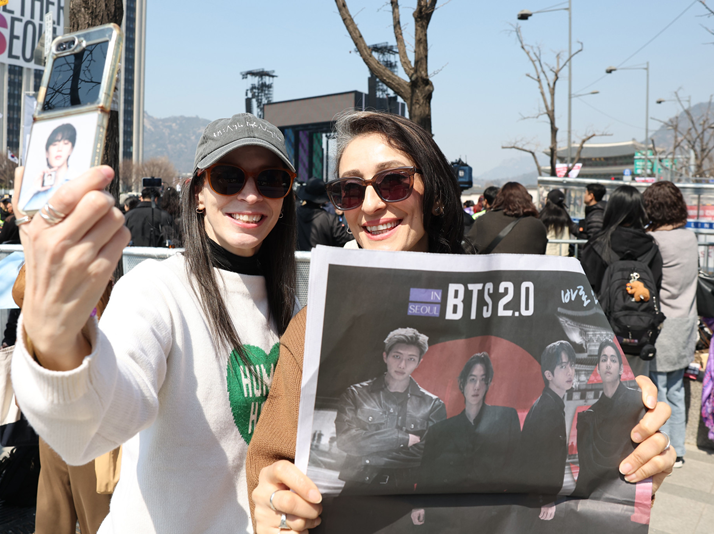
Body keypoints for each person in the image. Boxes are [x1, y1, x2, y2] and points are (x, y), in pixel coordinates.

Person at [246, 111, 675, 534]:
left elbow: (582, 478)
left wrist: (635, 457)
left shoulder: (516, 318)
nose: (372, 205)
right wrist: (273, 504)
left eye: (393, 182)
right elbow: (270, 467)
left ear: (433, 193)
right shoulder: (316, 326)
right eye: (351, 191)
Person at [9, 112, 298, 533]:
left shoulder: (291, 308)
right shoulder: (156, 289)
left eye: (270, 180)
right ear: (198, 192)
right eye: (229, 178)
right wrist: (57, 340)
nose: (251, 195)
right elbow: (96, 422)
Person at [334, 327, 445, 494]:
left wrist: (368, 454)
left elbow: (430, 454)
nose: (402, 365)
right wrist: (401, 438)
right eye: (397, 356)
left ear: (419, 362)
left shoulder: (433, 405)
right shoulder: (355, 394)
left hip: (402, 494)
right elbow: (345, 441)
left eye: (411, 359)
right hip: (355, 490)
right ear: (385, 356)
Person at [643, 181, 698, 468]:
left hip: (662, 326)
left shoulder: (654, 241)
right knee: (676, 391)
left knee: (658, 393)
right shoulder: (690, 237)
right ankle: (677, 450)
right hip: (686, 324)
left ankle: (661, 448)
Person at [419, 352, 520, 493]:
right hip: (453, 506)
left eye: (483, 380)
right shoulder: (439, 431)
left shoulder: (507, 418)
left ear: (488, 384)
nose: (477, 386)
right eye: (472, 379)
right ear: (462, 383)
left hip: (494, 505)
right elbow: (426, 477)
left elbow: (516, 466)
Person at [573, 341, 643, 499]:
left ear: (621, 368)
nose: (608, 364)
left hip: (624, 491)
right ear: (598, 368)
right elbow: (584, 470)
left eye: (613, 359)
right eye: (603, 359)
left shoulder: (636, 401)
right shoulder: (588, 416)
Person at [520, 341, 577, 523]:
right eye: (563, 366)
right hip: (538, 504)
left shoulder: (551, 403)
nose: (570, 372)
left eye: (571, 365)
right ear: (548, 374)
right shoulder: (547, 410)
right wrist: (546, 499)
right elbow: (538, 461)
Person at [580, 185, 662, 296]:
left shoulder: (597, 245)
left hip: (602, 312)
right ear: (641, 211)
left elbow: (584, 287)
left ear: (611, 209)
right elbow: (654, 288)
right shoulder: (651, 249)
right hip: (641, 311)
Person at [466, 182, 548, 254]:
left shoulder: (483, 220)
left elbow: (467, 248)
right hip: (527, 270)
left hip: (492, 270)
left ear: (499, 199)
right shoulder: (537, 225)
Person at [21, 123, 79, 212]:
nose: (60, 148)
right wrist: (34, 189)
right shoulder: (32, 186)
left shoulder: (78, 181)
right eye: (55, 144)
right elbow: (19, 212)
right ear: (47, 152)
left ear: (71, 149)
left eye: (65, 143)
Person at [295, 178, 351, 251]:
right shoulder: (329, 220)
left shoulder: (294, 215)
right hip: (322, 261)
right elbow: (346, 238)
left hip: (296, 260)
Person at [540, 189, 579, 257]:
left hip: (546, 256)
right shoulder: (566, 218)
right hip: (563, 257)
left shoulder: (543, 217)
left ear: (547, 200)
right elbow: (576, 231)